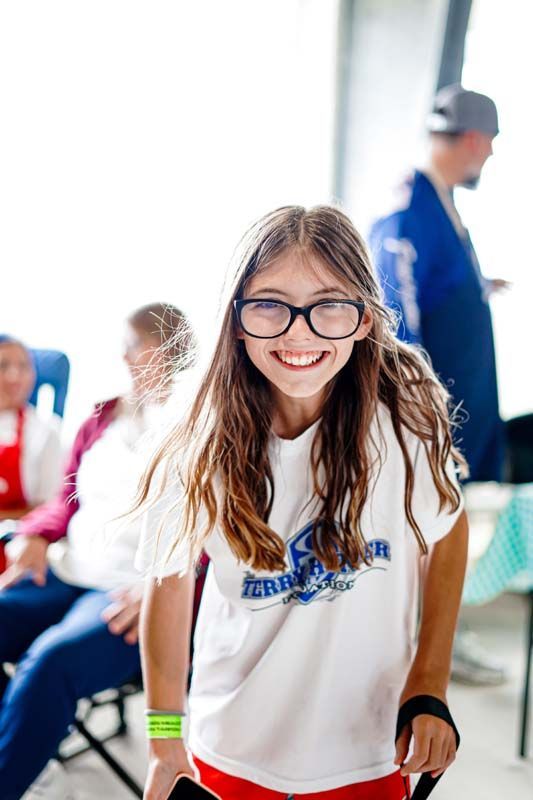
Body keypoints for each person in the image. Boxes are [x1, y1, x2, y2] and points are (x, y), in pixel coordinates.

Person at [136, 206, 469, 800]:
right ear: (235, 320)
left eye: (329, 304)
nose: (299, 332)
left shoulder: (406, 407)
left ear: (365, 318)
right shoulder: (195, 431)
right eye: (268, 303)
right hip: (230, 744)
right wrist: (165, 739)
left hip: (368, 747)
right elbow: (166, 587)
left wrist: (430, 680)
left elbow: (447, 527)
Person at [0, 303, 192, 800]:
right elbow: (65, 499)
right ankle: (22, 742)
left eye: (133, 348)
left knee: (49, 662)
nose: (124, 360)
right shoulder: (103, 416)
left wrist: (168, 596)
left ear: (164, 351)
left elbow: (216, 534)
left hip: (129, 591)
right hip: (69, 571)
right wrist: (37, 535)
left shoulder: (200, 428)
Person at [369, 85, 509, 686]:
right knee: (430, 527)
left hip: (461, 407)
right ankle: (428, 657)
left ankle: (439, 643)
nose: (490, 158)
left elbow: (436, 293)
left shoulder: (444, 206)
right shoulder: (409, 212)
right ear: (475, 141)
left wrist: (478, 292)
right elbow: (397, 321)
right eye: (491, 147)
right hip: (432, 417)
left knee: (446, 526)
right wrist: (419, 418)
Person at [0, 335, 63, 572]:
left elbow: (49, 507)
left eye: (23, 366)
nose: (14, 376)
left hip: (12, 547)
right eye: (3, 366)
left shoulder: (46, 431)